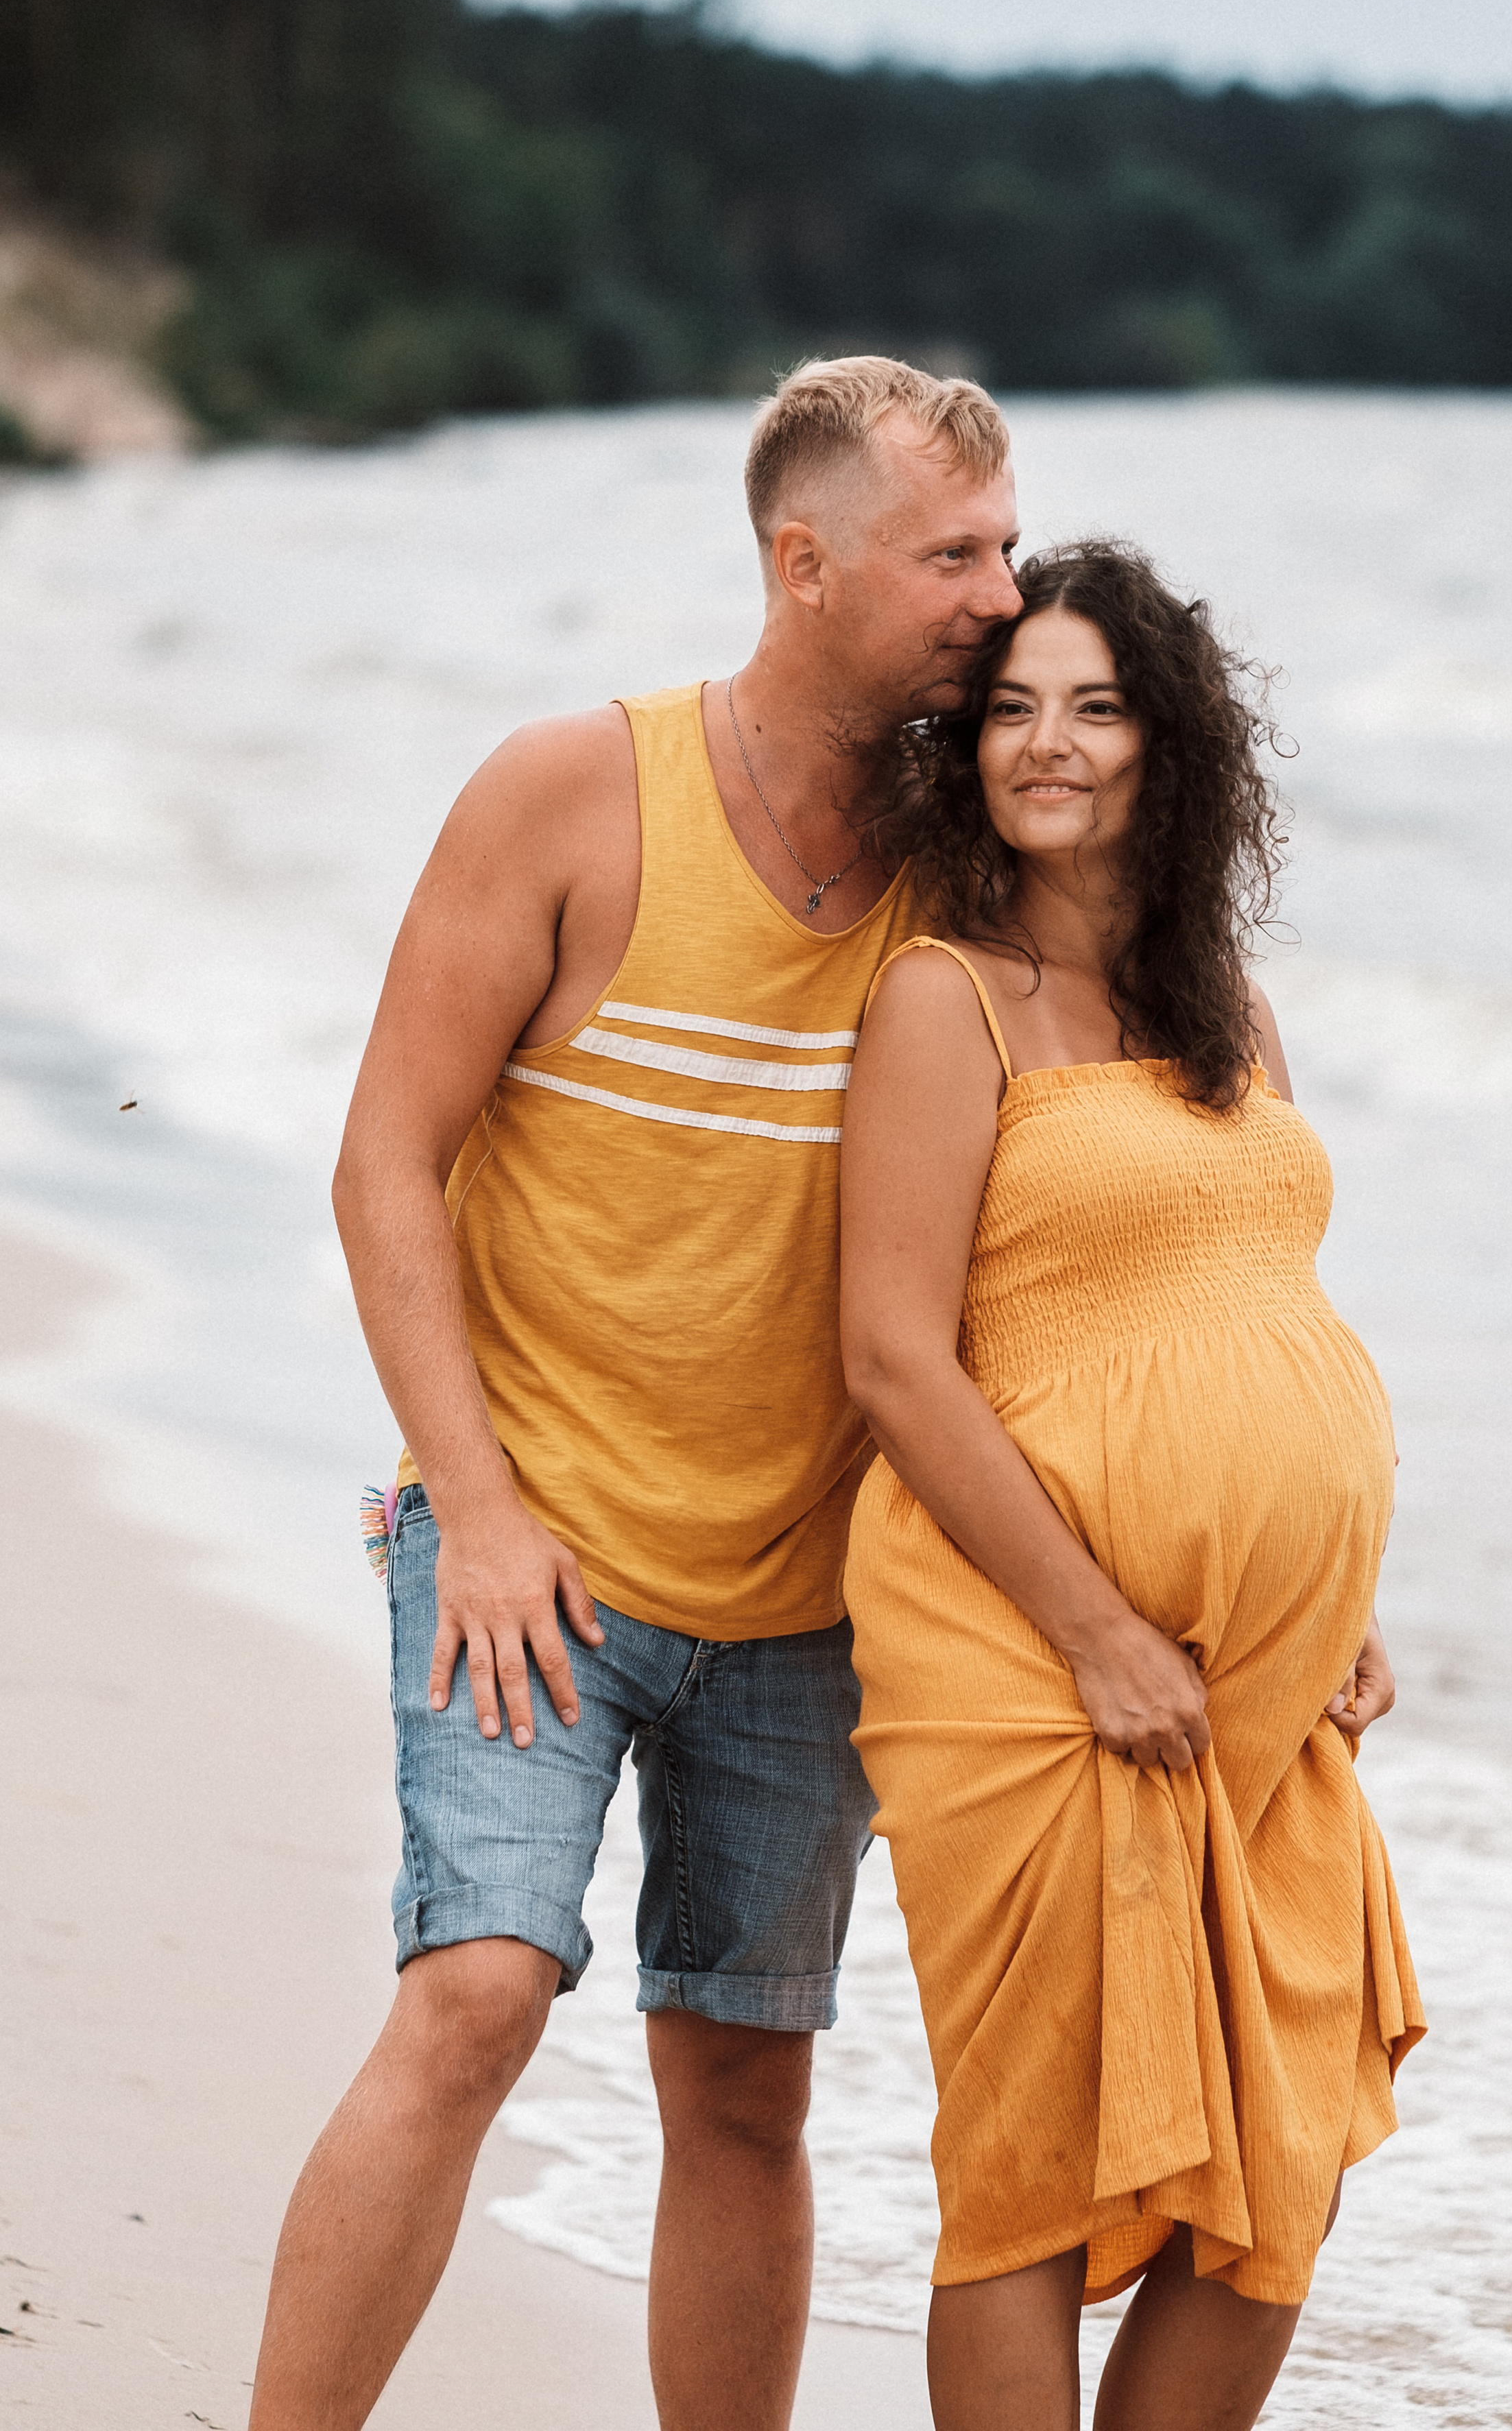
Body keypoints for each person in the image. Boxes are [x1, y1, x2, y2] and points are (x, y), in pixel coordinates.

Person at [246, 356, 1022, 2431]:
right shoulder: (572, 793)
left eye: (1009, 545)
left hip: (807, 1587)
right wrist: (480, 1510)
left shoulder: (971, 865)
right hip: (531, 1540)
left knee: (747, 2091)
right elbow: (383, 1158)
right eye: (954, 551)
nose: (996, 591)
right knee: (477, 1996)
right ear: (807, 563)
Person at [839, 538, 1424, 2431]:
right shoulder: (952, 999)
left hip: (1252, 1675)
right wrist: (1096, 1634)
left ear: (1172, 743)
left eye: (1095, 705)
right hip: (1021, 1650)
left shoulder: (1227, 1009)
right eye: (1013, 707)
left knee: (1284, 2153)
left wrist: (1328, 1598)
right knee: (1030, 2159)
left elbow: (1253, 1294)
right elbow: (895, 1360)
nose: (1051, 743)